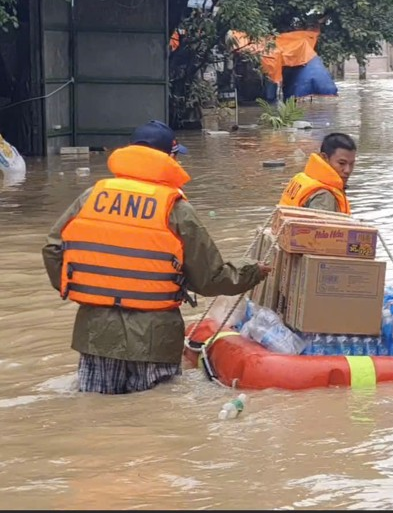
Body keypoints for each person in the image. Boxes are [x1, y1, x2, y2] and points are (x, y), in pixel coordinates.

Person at [42, 120, 270, 395]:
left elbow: (53, 250)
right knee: (154, 416)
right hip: (154, 339)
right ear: (170, 157)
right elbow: (210, 279)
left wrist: (77, 287)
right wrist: (253, 270)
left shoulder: (92, 196)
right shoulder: (175, 209)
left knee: (95, 416)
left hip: (95, 334)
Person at [278, 132, 357, 214]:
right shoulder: (324, 196)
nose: (347, 170)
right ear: (324, 158)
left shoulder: (304, 178)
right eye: (341, 163)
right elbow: (321, 226)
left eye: (351, 164)